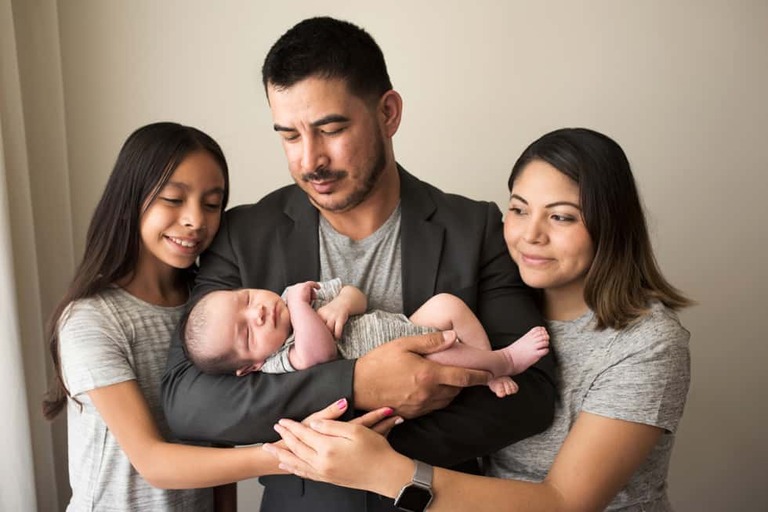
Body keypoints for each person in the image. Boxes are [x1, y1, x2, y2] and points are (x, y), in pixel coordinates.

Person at [161, 16, 556, 512]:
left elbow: (531, 393)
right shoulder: (244, 234)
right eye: (289, 136)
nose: (310, 161)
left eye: (331, 129)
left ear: (388, 112)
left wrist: (378, 454)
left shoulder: (473, 227)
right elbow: (189, 399)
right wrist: (356, 385)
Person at [263, 127, 692, 512]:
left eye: (561, 216)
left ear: (612, 225)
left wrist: (383, 471)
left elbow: (566, 503)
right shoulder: (496, 304)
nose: (531, 234)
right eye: (520, 209)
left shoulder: (646, 343)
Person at [41, 122, 374, 511]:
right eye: (173, 199)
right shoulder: (93, 318)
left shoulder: (220, 307)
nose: (196, 220)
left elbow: (219, 426)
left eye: (212, 204)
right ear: (130, 198)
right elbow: (153, 463)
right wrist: (294, 452)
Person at [183, 278, 550, 397]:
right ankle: (506, 361)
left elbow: (356, 294)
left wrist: (342, 303)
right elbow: (320, 355)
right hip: (409, 361)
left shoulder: (300, 294)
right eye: (247, 332)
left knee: (446, 304)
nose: (258, 312)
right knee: (442, 357)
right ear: (251, 366)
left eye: (246, 300)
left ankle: (485, 368)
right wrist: (297, 304)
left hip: (408, 323)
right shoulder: (282, 358)